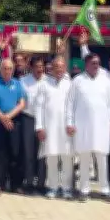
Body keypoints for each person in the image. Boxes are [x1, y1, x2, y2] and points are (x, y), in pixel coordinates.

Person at [78, 30, 110, 196]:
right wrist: (83, 45)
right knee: (105, 156)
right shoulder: (104, 75)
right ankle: (106, 186)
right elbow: (90, 60)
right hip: (104, 125)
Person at [66, 54, 110, 202]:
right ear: (86, 64)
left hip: (102, 126)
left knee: (102, 159)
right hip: (83, 126)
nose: (96, 65)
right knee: (84, 158)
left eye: (98, 63)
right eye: (93, 63)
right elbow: (70, 103)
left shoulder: (105, 80)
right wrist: (69, 123)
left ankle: (105, 190)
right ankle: (84, 189)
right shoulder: (77, 81)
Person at [0, 59, 27, 194]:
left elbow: (22, 104)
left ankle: (16, 184)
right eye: (5, 68)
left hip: (14, 120)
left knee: (15, 152)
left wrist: (8, 117)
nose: (7, 71)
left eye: (10, 68)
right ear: (0, 70)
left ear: (13, 70)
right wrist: (3, 118)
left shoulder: (17, 83)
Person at [35, 56, 73, 199]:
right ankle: (52, 187)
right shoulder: (44, 84)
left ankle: (67, 188)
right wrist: (39, 127)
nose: (59, 69)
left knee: (67, 158)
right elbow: (39, 107)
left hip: (66, 128)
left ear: (65, 68)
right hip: (49, 128)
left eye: (61, 66)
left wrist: (72, 124)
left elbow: (74, 106)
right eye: (56, 66)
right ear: (52, 67)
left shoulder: (70, 84)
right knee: (51, 159)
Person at [20, 56, 45, 194]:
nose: (39, 69)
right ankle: (29, 182)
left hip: (44, 121)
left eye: (41, 66)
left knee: (42, 153)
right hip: (28, 119)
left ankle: (41, 183)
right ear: (31, 67)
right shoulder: (23, 81)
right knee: (28, 151)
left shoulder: (48, 81)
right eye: (37, 67)